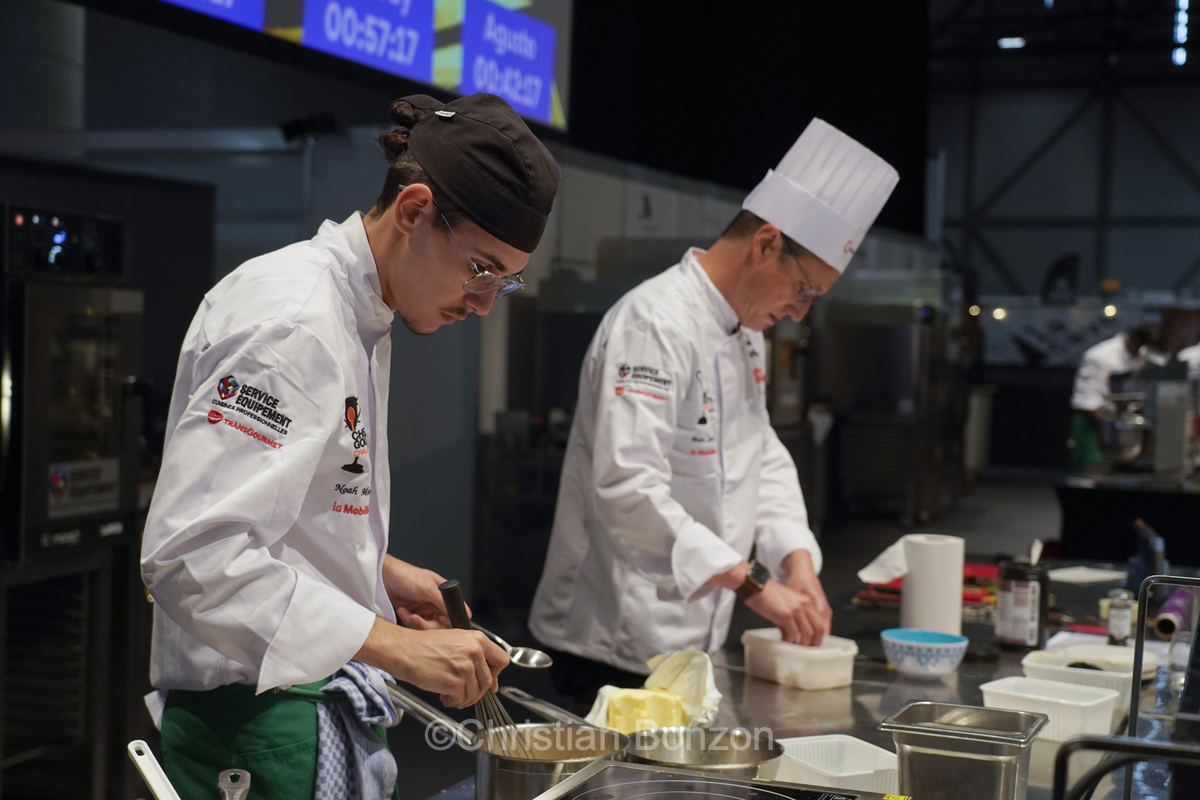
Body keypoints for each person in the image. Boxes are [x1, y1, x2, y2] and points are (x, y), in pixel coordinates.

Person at [140, 93, 560, 799]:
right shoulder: (293, 320)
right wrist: (399, 647)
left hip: (297, 710)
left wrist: (377, 570)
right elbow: (193, 554)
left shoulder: (360, 312)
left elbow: (285, 506)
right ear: (415, 210)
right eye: (482, 269)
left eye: (505, 281)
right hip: (254, 729)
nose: (485, 303)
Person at [528, 119, 899, 707]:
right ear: (766, 243)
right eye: (803, 290)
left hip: (691, 642)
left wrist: (795, 559)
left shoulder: (743, 329)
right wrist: (753, 583)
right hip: (612, 641)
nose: (800, 313)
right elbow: (627, 487)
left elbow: (762, 457)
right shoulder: (654, 323)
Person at [1068, 326, 1155, 472]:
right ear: (1134, 341)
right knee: (1091, 467)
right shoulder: (1100, 356)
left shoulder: (1139, 357)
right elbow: (1089, 396)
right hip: (1090, 420)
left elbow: (1137, 387)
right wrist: (1107, 422)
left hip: (1116, 417)